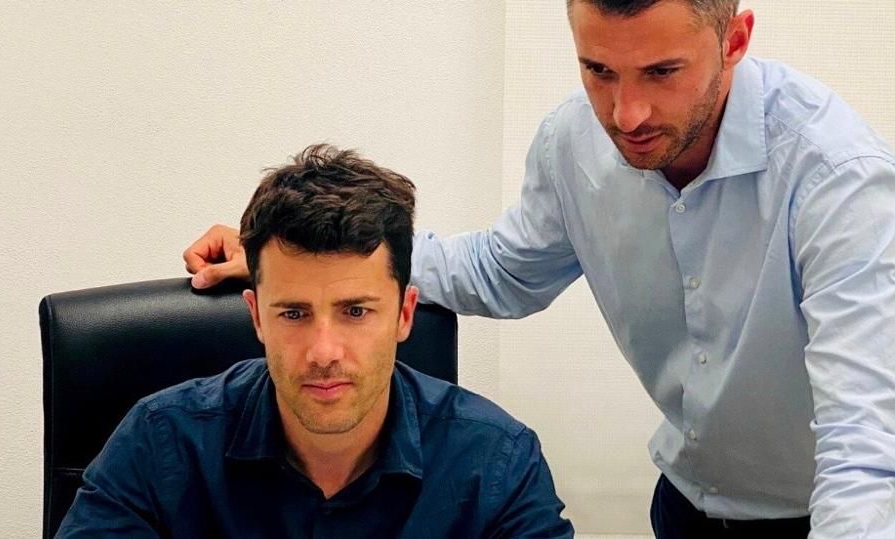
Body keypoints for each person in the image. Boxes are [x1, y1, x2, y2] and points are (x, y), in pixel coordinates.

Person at [184, 1, 895, 537]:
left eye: (662, 71)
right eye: (598, 69)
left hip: (843, 513)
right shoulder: (575, 143)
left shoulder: (832, 170)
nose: (626, 114)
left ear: (736, 39)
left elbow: (867, 444)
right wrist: (309, 266)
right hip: (689, 509)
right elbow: (502, 269)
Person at [60, 144, 573, 538]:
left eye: (355, 312)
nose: (324, 351)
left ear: (404, 314)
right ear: (257, 317)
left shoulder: (496, 465)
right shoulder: (160, 444)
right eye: (294, 313)